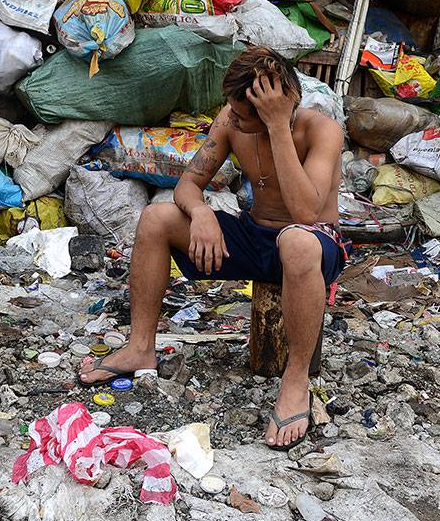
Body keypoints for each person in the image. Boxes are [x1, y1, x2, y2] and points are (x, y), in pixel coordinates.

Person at [78, 47, 346, 449]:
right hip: (255, 235)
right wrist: (201, 212)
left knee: (296, 241)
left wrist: (278, 127)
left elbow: (306, 213)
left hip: (312, 242)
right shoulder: (231, 118)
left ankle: (296, 379)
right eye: (231, 111)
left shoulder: (322, 130)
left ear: (276, 108)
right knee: (156, 219)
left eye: (243, 115)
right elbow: (188, 183)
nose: (231, 119)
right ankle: (139, 347)